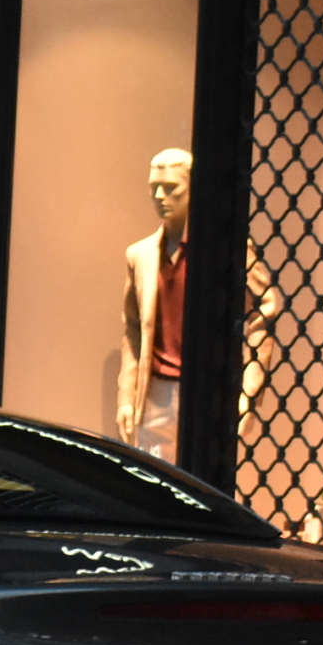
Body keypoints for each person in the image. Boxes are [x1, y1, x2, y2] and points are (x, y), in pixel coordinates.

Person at [118, 150, 192, 462]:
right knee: (155, 479)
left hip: (200, 390)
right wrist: (126, 398)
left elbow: (260, 316)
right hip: (156, 394)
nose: (160, 196)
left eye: (171, 188)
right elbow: (132, 331)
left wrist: (247, 391)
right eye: (154, 187)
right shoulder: (140, 255)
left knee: (205, 485)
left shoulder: (228, 252)